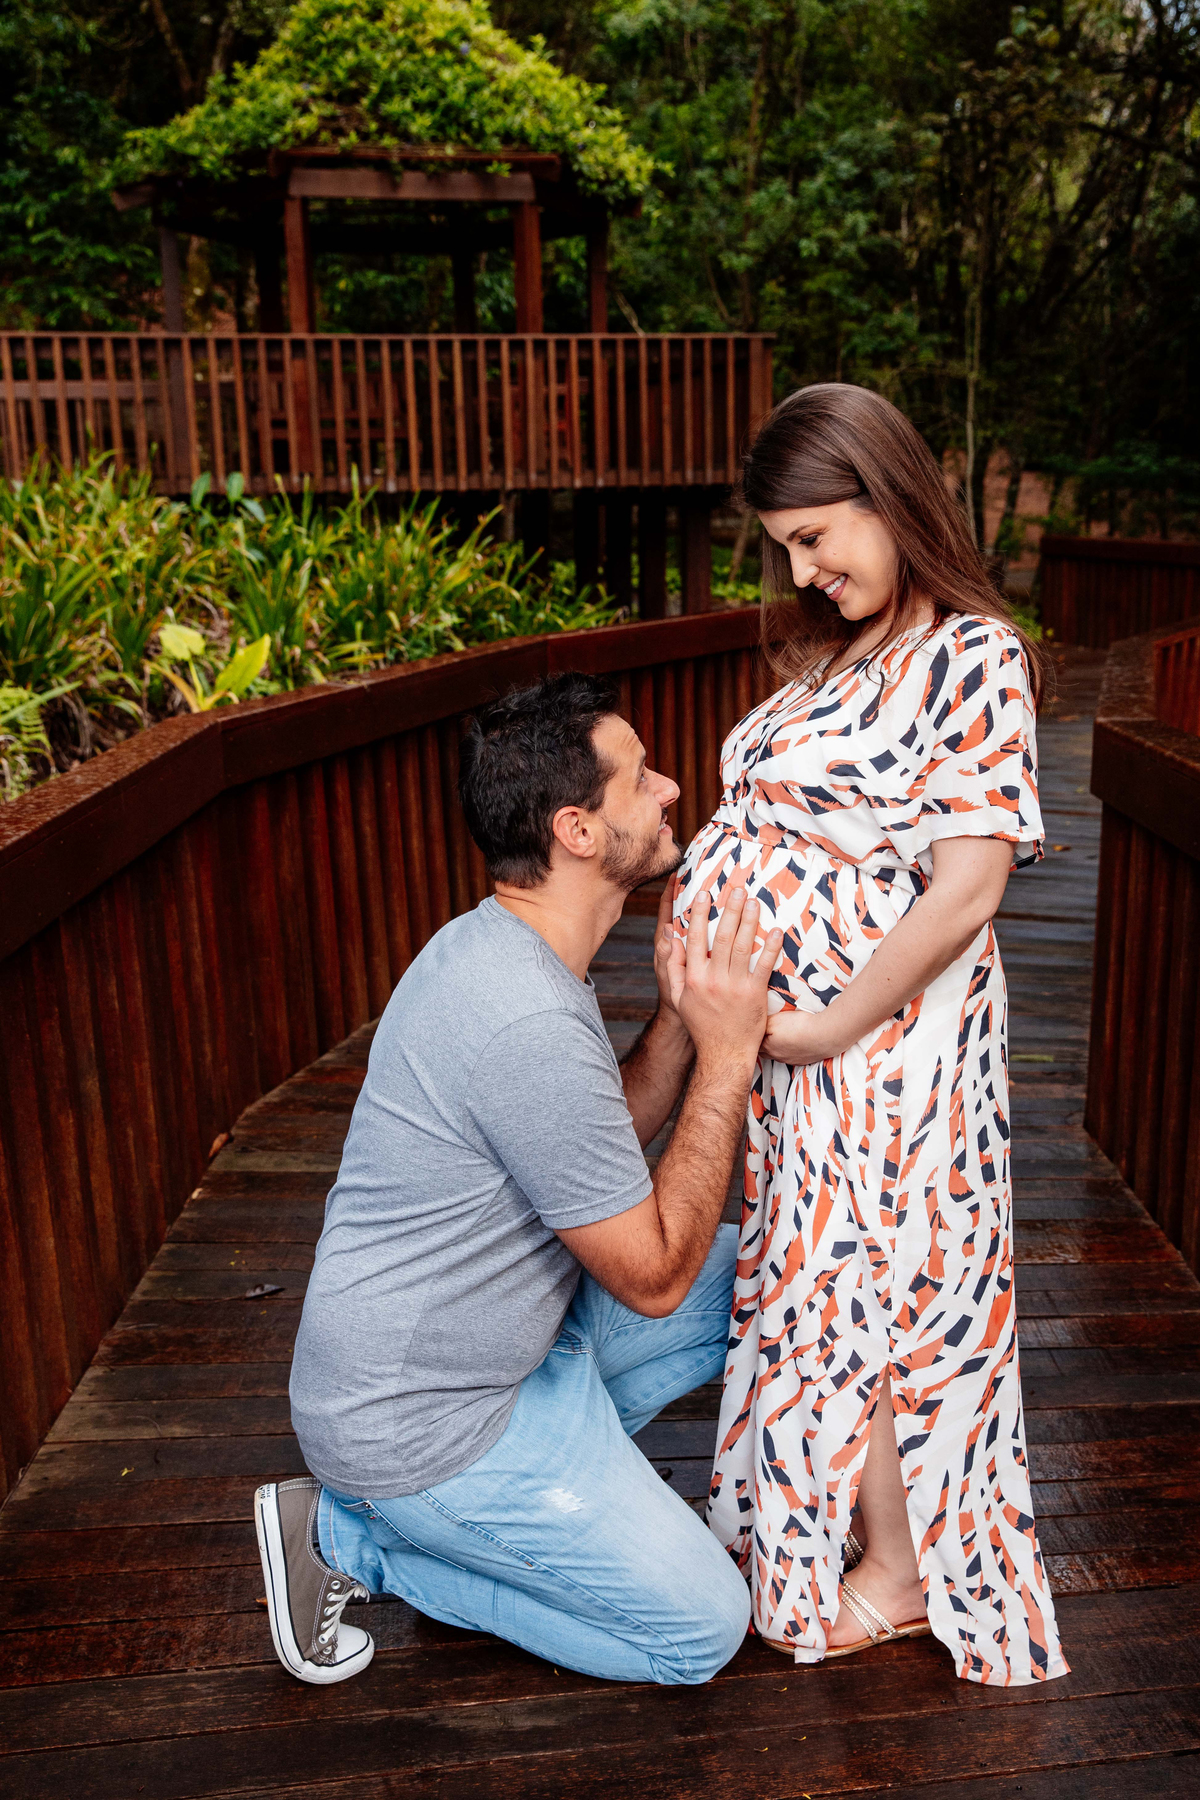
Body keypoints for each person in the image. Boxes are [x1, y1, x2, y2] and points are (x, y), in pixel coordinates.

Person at [254, 671, 784, 1687]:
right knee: (698, 1631)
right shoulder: (524, 1015)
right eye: (642, 780)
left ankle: (590, 1504)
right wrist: (726, 1055)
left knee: (768, 1264)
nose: (671, 789)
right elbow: (654, 1277)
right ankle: (343, 1543)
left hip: (516, 1347)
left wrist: (678, 1019)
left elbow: (588, 1144)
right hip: (427, 1425)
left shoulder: (508, 948)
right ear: (578, 830)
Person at [674, 383, 1070, 1684]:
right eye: (785, 545)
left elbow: (969, 882)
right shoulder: (837, 657)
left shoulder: (974, 654)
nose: (803, 568)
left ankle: (903, 1578)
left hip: (895, 1045)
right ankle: (840, 1530)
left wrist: (823, 1025)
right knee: (817, 1289)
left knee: (895, 1295)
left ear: (889, 496)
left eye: (817, 535)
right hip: (802, 1060)